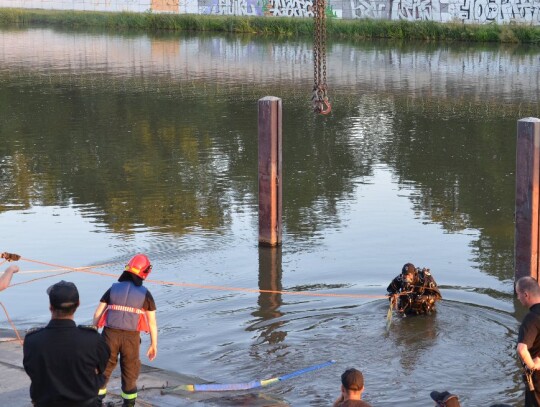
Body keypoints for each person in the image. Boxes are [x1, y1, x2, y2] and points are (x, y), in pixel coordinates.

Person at [23, 280, 110, 407]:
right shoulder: (93, 339)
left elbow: (32, 371)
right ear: (78, 304)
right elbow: (102, 369)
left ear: (50, 307)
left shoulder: (32, 340)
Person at [93, 253, 158, 407]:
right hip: (131, 339)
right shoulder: (145, 294)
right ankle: (128, 404)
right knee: (130, 372)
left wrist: (93, 333)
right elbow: (152, 323)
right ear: (145, 272)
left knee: (104, 369)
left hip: (109, 335)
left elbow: (98, 313)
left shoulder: (113, 289)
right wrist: (153, 344)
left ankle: (96, 402)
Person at [516, 276, 540, 406]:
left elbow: (522, 349)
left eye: (518, 294)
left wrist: (532, 366)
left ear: (526, 294)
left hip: (537, 381)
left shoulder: (531, 318)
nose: (518, 298)